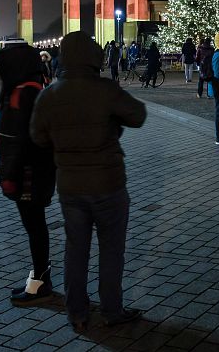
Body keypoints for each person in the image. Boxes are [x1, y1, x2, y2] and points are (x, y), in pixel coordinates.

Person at [30, 31, 147, 333]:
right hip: (109, 183)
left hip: (70, 186)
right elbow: (138, 116)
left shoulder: (50, 94)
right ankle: (111, 310)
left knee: (75, 250)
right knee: (111, 251)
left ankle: (78, 314)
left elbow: (37, 137)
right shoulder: (105, 89)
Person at [0, 41, 57, 306]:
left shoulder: (23, 93)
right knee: (35, 226)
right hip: (34, 171)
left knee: (35, 227)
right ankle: (39, 277)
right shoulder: (33, 88)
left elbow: (16, 141)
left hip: (27, 173)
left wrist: (9, 176)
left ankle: (41, 281)